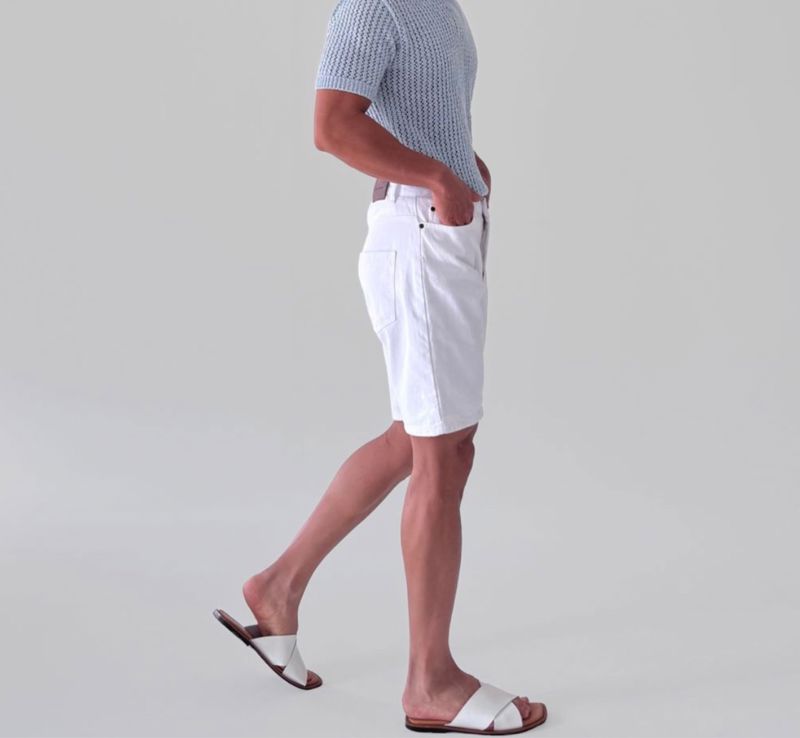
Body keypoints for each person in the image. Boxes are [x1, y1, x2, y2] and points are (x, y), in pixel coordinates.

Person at [214, 0, 547, 733]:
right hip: (418, 237)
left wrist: (463, 168)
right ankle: (431, 683)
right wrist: (439, 176)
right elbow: (332, 125)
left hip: (444, 234)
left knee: (421, 440)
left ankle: (278, 587)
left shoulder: (439, 8)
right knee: (441, 454)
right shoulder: (374, 5)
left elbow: (425, 113)